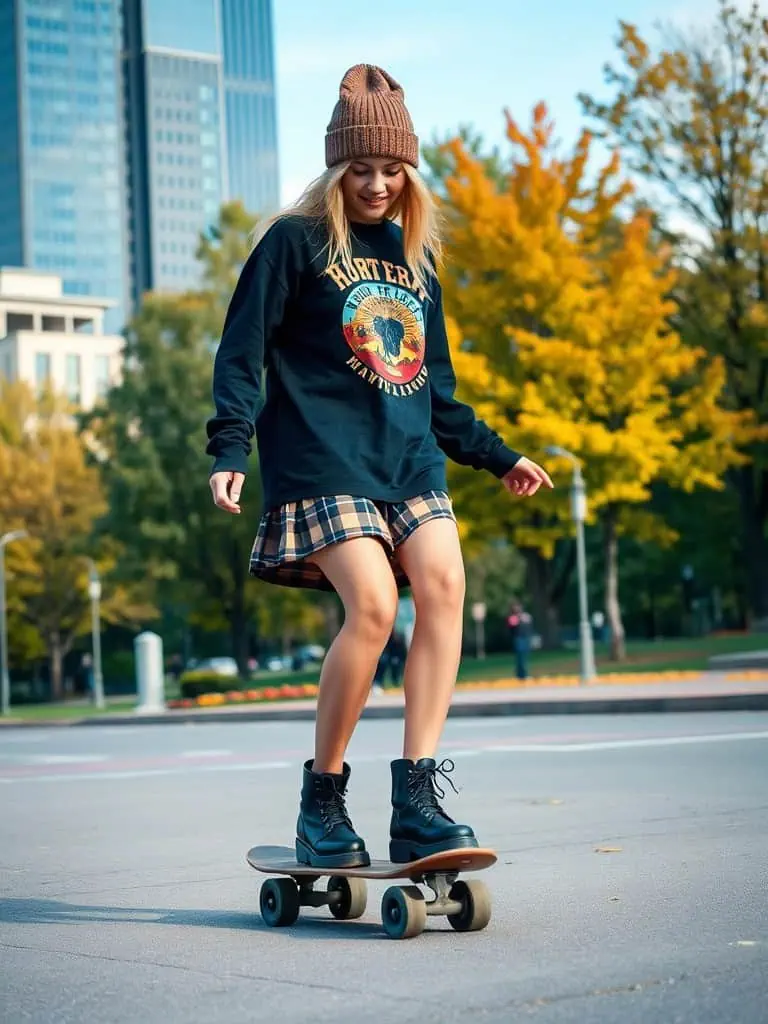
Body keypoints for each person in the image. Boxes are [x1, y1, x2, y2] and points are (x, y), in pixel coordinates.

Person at [206, 64, 553, 868]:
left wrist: (499, 458)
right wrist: (230, 447)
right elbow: (242, 352)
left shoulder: (416, 264)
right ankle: (321, 800)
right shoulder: (295, 244)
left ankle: (416, 798)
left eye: (390, 170)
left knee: (444, 586)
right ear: (336, 169)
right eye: (359, 169)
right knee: (369, 607)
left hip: (409, 462)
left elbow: (434, 388)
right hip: (322, 460)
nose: (374, 184)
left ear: (408, 173)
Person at [507, 601, 534, 680]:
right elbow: (512, 625)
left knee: (525, 657)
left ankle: (524, 674)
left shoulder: (526, 616)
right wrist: (519, 618)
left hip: (526, 638)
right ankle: (520, 674)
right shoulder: (512, 617)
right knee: (520, 657)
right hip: (518, 638)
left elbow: (529, 623)